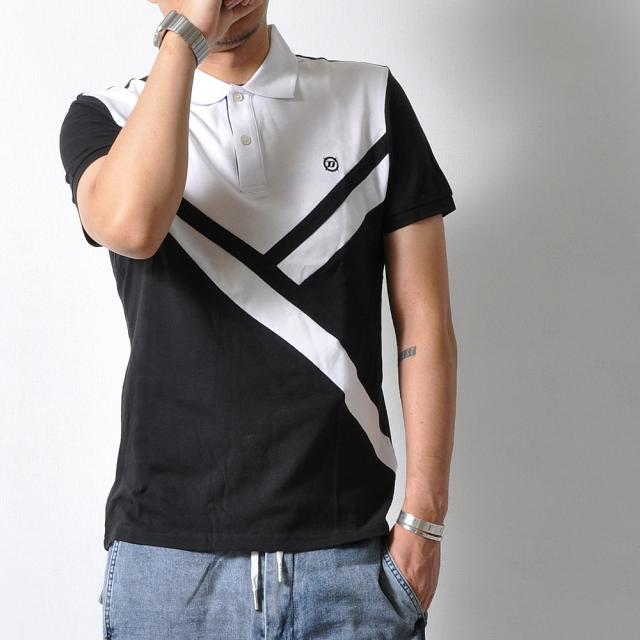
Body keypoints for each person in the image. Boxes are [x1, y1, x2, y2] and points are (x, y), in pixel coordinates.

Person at [58, 0, 458, 638]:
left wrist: (424, 520)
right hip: (168, 566)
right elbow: (131, 226)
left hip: (349, 562)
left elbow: (425, 324)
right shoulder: (108, 116)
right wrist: (185, 37)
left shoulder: (371, 100)